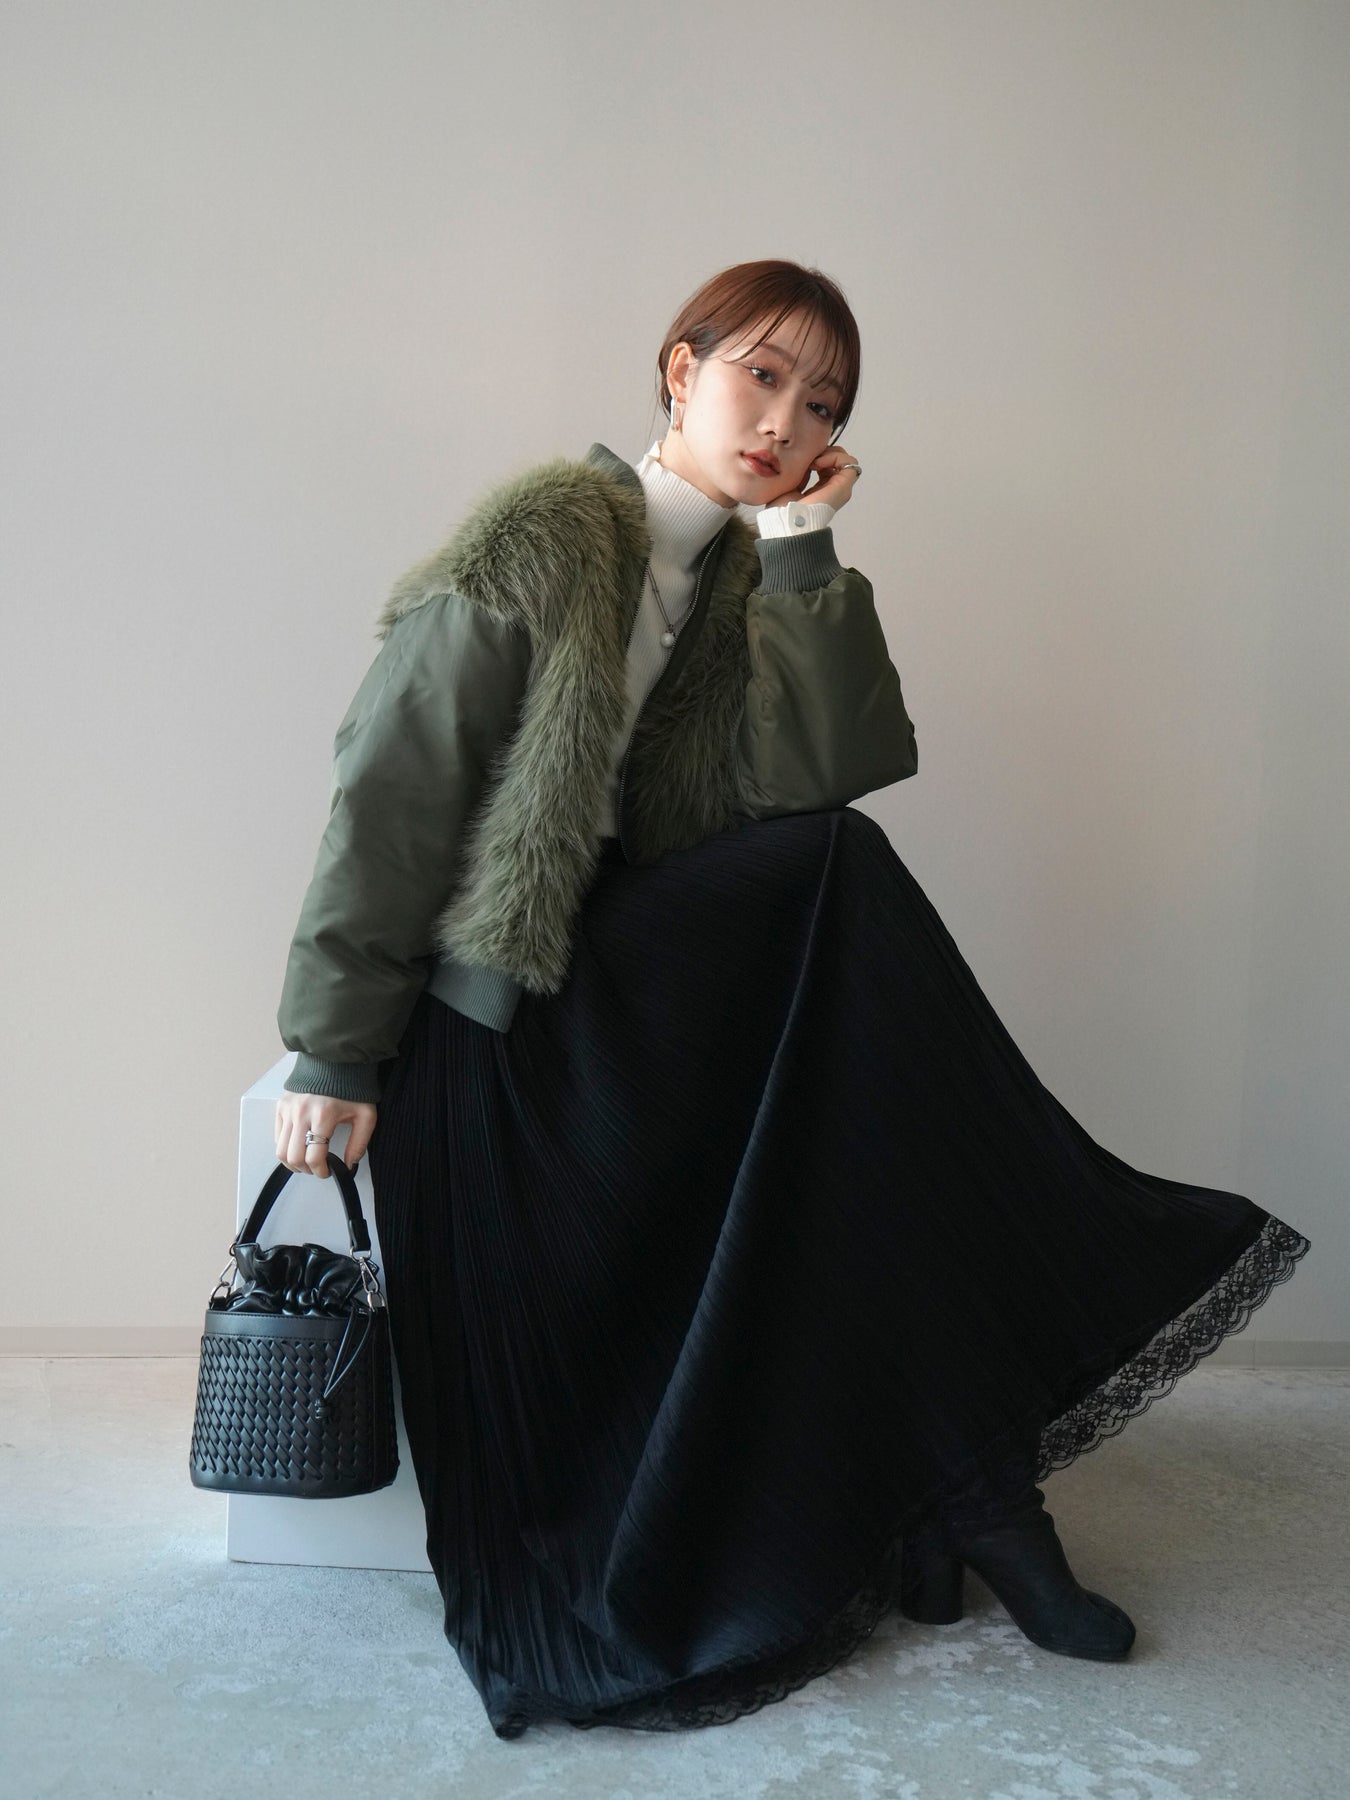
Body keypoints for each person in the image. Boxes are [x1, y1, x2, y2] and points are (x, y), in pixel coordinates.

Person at [272, 259, 1311, 1739]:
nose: (783, 421)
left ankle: (971, 1494)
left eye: (821, 404)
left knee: (846, 988)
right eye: (760, 375)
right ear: (678, 368)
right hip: (504, 1023)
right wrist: (333, 1049)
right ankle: (971, 1492)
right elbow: (389, 799)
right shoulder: (541, 543)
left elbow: (829, 773)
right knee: (843, 913)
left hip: (636, 983)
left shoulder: (745, 577)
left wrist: (802, 543)